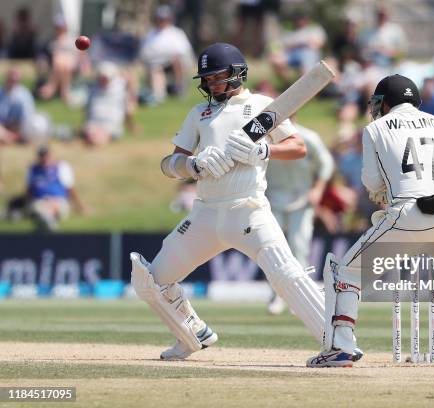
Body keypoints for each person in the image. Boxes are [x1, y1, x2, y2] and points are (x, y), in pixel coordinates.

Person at [129, 43, 362, 361]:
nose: (211, 84)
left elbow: (298, 148)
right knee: (150, 281)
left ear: (238, 74)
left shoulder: (263, 106)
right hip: (205, 214)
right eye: (207, 79)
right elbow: (169, 164)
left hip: (248, 210)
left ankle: (339, 345)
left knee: (286, 274)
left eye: (217, 77)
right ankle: (192, 333)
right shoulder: (199, 114)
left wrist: (264, 151)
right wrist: (193, 165)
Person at [307, 74, 434, 367]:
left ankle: (340, 347)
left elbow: (371, 181)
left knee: (346, 273)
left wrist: (385, 196)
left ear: (385, 103)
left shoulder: (375, 129)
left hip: (407, 215)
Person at [265, 115, 334, 314]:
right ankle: (276, 295)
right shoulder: (264, 138)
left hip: (301, 198)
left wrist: (318, 189)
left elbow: (326, 164)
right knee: (273, 250)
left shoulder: (307, 137)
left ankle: (301, 298)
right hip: (272, 198)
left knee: (299, 246)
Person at [139, 5, 195, 104]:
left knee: (176, 61)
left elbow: (183, 51)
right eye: (160, 19)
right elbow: (145, 53)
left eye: (164, 19)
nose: (162, 21)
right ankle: (158, 94)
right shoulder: (151, 34)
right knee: (155, 68)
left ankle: (179, 88)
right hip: (156, 63)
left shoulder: (177, 33)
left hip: (173, 63)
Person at [26, 146, 84, 231]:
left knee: (50, 209)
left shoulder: (61, 167)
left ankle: (48, 222)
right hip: (40, 201)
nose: (45, 158)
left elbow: (70, 188)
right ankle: (48, 222)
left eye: (47, 156)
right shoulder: (33, 169)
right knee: (39, 208)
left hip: (58, 201)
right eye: (42, 156)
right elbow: (29, 189)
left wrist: (78, 206)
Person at [81, 62, 129, 146]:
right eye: (101, 77)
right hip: (94, 122)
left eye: (106, 77)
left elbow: (130, 79)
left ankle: (99, 140)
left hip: (111, 124)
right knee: (91, 131)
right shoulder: (92, 89)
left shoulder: (119, 88)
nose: (103, 80)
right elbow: (87, 111)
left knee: (102, 133)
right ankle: (95, 139)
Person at [0, 68, 35, 144]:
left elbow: (28, 117)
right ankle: (9, 138)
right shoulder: (1, 93)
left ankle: (9, 138)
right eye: (11, 80)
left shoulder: (24, 94)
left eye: (16, 81)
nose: (13, 83)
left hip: (19, 127)